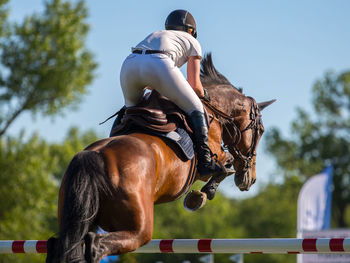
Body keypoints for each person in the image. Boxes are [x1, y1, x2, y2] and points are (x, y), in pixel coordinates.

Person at [112, 9, 224, 178]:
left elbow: (151, 83)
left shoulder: (157, 34)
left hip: (129, 64)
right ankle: (205, 162)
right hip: (159, 63)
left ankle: (112, 142)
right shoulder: (192, 41)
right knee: (197, 108)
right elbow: (195, 86)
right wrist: (204, 95)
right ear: (191, 31)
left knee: (131, 112)